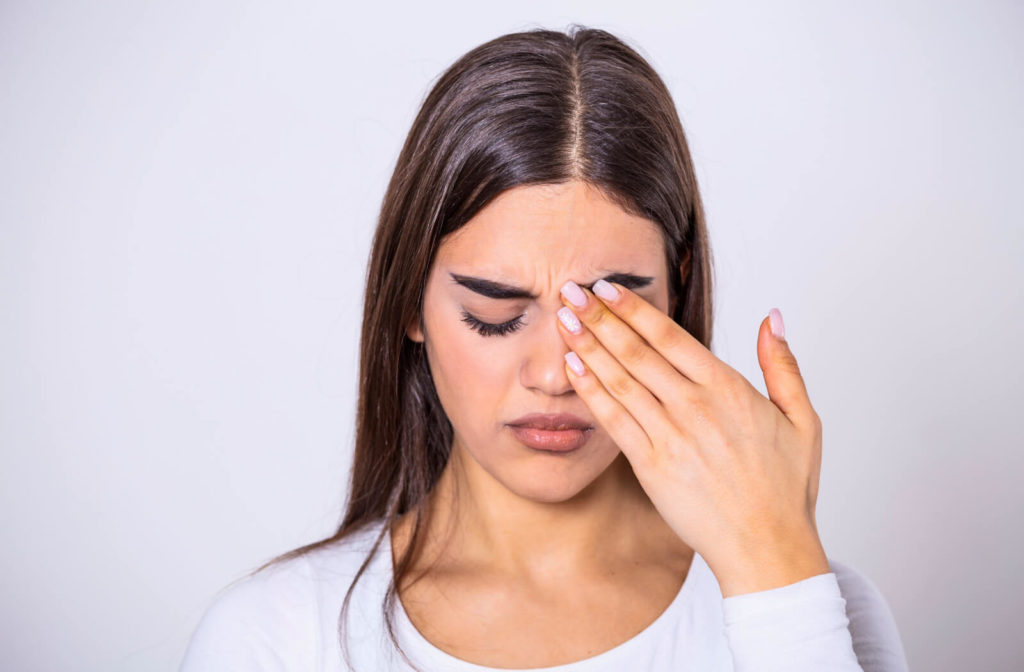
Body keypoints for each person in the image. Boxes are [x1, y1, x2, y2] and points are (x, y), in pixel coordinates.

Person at [180, 25, 908, 672]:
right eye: (495, 316)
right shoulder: (276, 637)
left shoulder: (812, 604)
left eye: (607, 316)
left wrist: (777, 571)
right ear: (410, 302)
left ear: (676, 294)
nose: (557, 375)